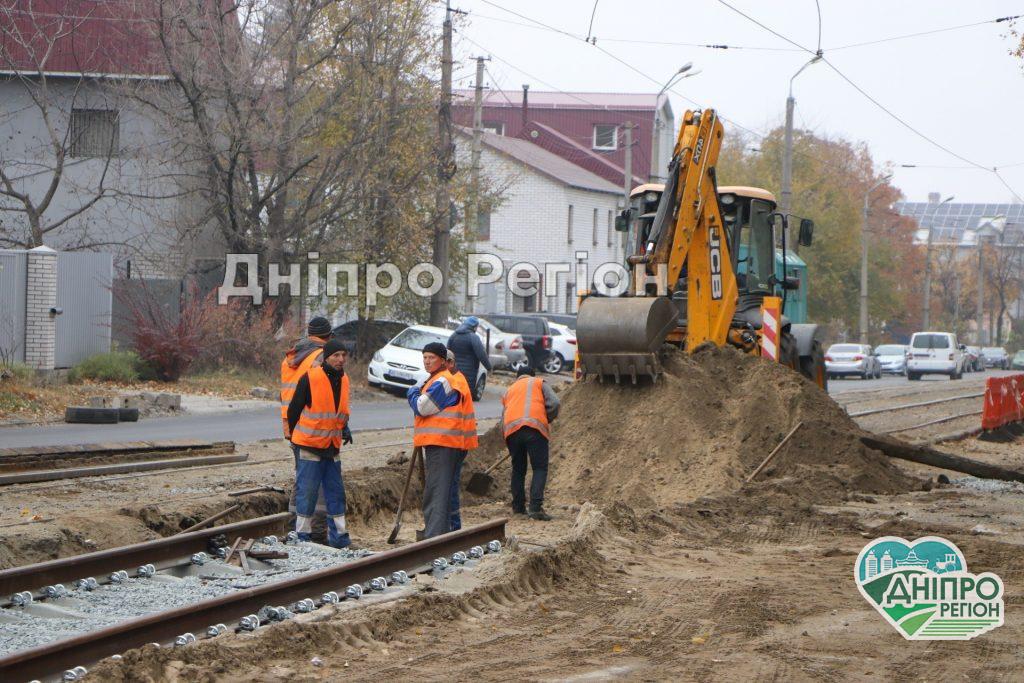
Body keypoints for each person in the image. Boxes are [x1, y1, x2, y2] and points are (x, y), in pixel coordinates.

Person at [407, 341, 477, 539]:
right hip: (447, 442)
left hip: (443, 443)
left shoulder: (444, 381)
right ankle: (444, 533)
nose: (427, 362)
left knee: (437, 492)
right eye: (425, 358)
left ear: (443, 361)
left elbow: (422, 406)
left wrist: (412, 393)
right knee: (443, 491)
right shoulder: (440, 379)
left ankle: (434, 536)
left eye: (431, 358)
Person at [288, 338, 353, 548]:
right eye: (336, 355)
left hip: (332, 447)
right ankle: (302, 539)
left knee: (336, 495)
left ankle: (340, 539)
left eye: (343, 355)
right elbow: (294, 410)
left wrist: (345, 428)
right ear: (327, 357)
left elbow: (339, 412)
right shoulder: (310, 378)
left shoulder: (344, 380)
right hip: (309, 447)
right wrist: (294, 438)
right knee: (307, 494)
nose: (341, 359)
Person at [281, 316, 333, 540]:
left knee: (303, 477)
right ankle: (317, 533)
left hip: (292, 426)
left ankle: (295, 527)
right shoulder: (321, 357)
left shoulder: (292, 357)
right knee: (319, 480)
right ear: (328, 336)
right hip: (315, 427)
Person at [502, 366, 559, 521]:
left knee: (518, 470)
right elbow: (554, 402)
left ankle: (518, 508)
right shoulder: (539, 382)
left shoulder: (509, 390)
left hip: (511, 431)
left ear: (517, 377)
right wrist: (546, 418)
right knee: (539, 468)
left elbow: (504, 416)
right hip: (534, 429)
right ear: (532, 375)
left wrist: (510, 439)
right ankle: (535, 508)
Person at [444, 349, 476, 531]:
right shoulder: (458, 378)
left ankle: (453, 526)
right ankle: (451, 525)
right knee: (450, 483)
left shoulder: (454, 381)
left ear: (449, 363)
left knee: (450, 484)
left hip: (456, 441)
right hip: (458, 440)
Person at [447, 316, 491, 400]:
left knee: (453, 392)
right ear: (474, 326)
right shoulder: (473, 337)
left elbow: (447, 352)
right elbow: (481, 354)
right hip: (469, 373)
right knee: (465, 395)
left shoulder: (454, 335)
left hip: (453, 370)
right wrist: (488, 367)